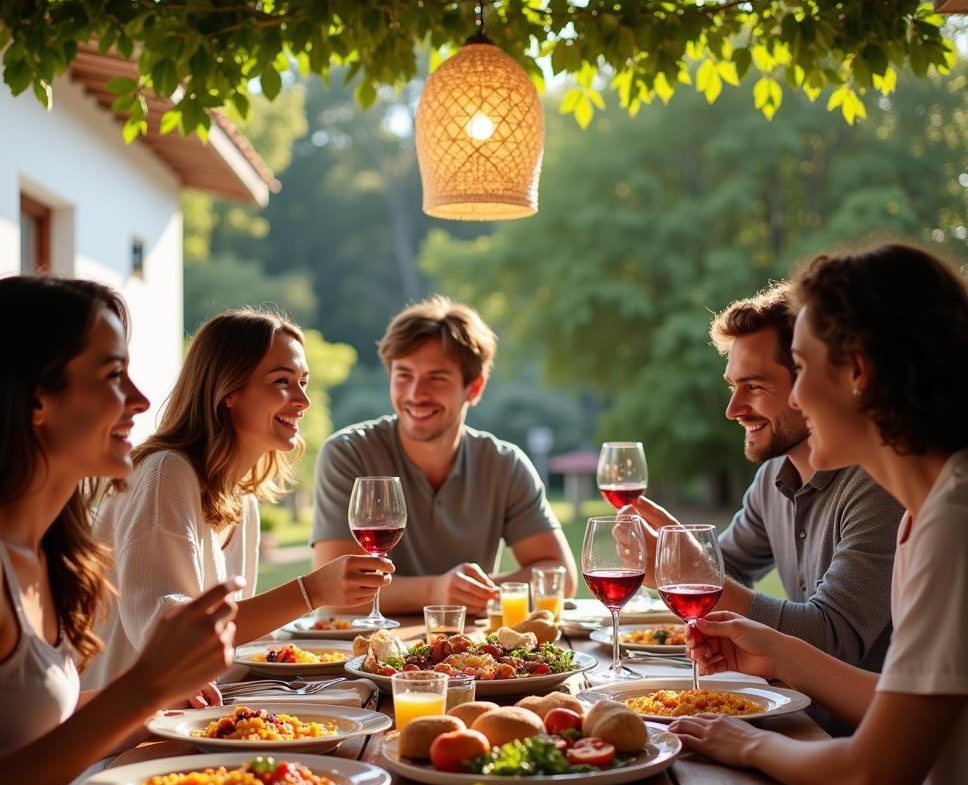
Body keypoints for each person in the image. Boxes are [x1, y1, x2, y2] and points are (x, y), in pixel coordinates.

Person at [0, 276, 241, 785]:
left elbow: (16, 733)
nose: (138, 398)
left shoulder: (51, 551)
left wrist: (148, 710)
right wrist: (141, 689)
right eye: (112, 377)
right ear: (35, 400)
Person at [672, 242, 968, 785]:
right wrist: (776, 653)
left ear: (858, 374)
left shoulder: (954, 522)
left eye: (801, 369)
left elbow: (870, 780)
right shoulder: (929, 510)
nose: (798, 398)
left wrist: (748, 742)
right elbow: (899, 703)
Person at [633, 285, 904, 729]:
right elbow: (728, 567)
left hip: (856, 743)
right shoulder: (774, 476)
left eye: (754, 386)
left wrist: (685, 570)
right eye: (733, 386)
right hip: (797, 722)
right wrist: (684, 562)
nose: (733, 409)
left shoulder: (883, 487)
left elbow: (833, 638)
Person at [83, 308, 392, 691]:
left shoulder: (241, 495)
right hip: (131, 736)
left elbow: (233, 641)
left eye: (304, 383)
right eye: (283, 382)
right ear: (227, 390)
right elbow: (173, 643)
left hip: (214, 709)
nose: (303, 400)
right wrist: (310, 591)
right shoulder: (166, 473)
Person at [311, 296, 576, 613]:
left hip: (473, 656)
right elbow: (337, 592)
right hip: (366, 654)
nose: (415, 394)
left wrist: (470, 592)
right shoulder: (348, 452)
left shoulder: (505, 464)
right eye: (404, 375)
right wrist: (437, 591)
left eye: (436, 377)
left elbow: (560, 577)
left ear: (474, 388)